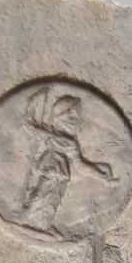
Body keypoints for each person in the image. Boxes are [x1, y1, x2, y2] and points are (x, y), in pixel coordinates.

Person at [19, 89, 114, 233]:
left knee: (55, 197)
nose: (78, 120)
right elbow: (29, 125)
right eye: (73, 117)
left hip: (62, 171)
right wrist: (33, 101)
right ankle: (27, 218)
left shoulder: (71, 143)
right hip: (51, 166)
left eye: (78, 117)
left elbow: (81, 166)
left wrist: (99, 173)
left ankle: (44, 225)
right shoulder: (49, 134)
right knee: (42, 193)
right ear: (61, 117)